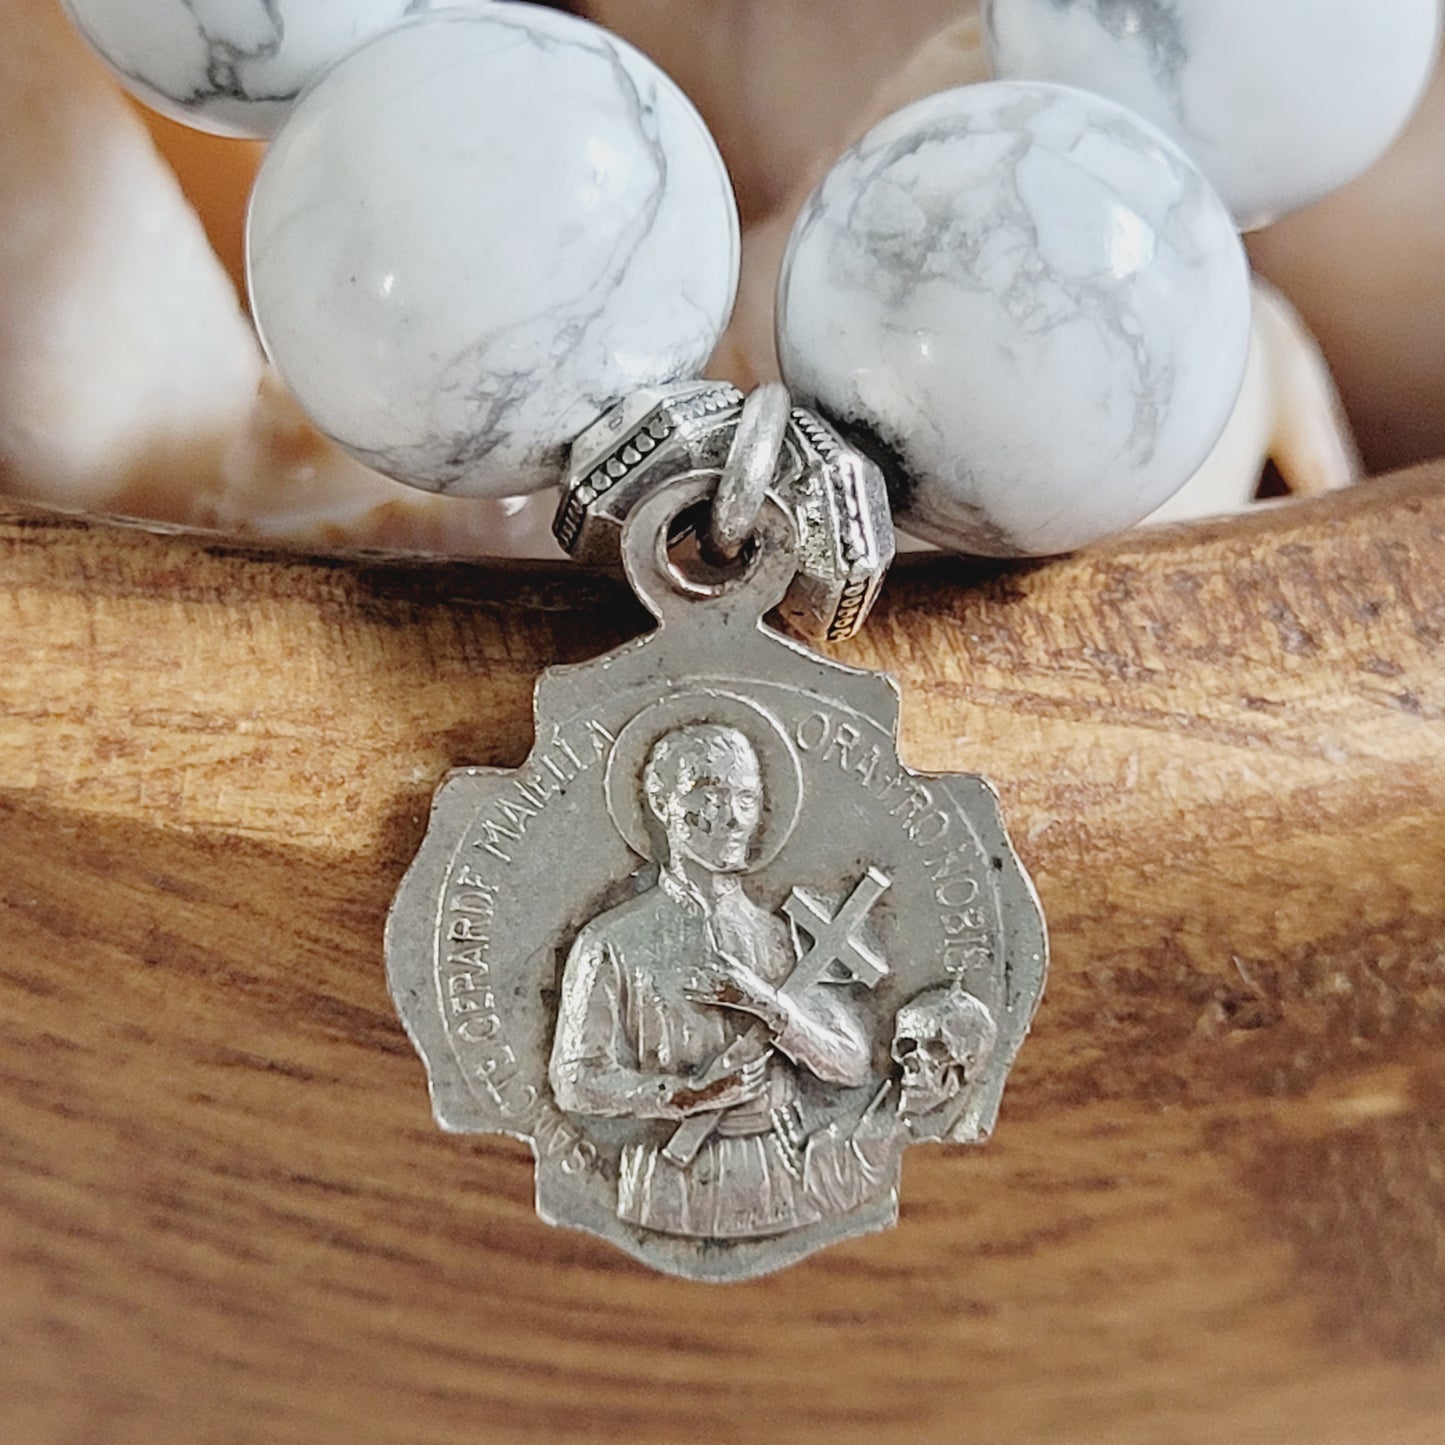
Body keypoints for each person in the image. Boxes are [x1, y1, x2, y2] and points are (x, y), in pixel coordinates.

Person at [549, 722, 871, 1239]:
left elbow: (853, 1064)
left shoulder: (782, 938)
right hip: (668, 1173)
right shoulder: (611, 942)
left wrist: (766, 1005)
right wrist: (686, 1096)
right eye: (708, 793)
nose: (732, 817)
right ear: (661, 803)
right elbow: (573, 1081)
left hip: (781, 1168)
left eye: (746, 796)